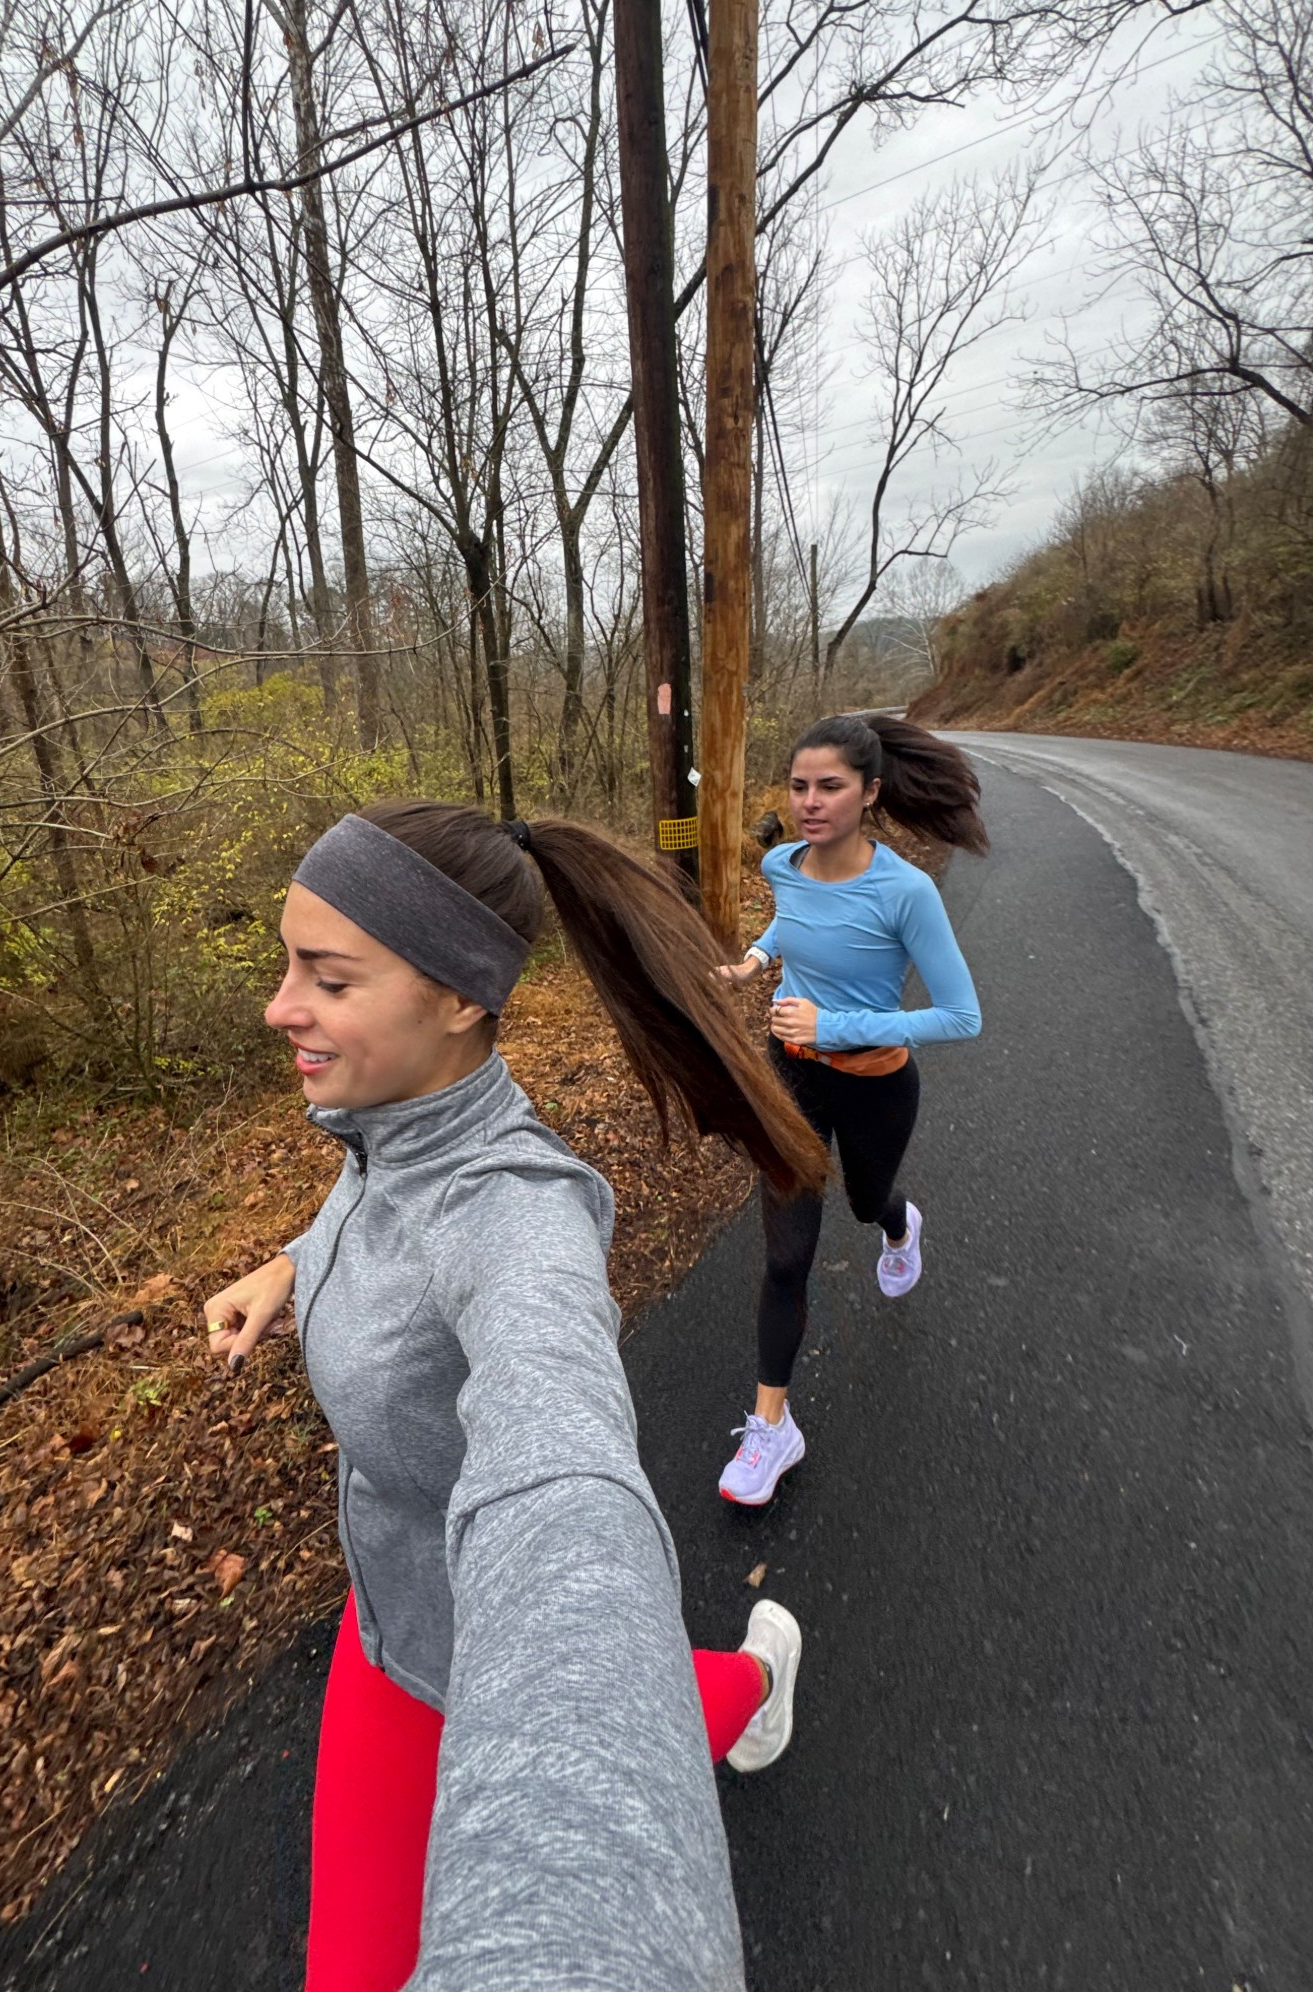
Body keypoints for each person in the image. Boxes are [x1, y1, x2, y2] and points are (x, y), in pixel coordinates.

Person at [200, 801, 831, 1992]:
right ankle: (746, 1674)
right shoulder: (387, 1118)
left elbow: (567, 1487)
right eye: (287, 964)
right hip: (389, 1623)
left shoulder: (521, 1215)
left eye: (326, 978)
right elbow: (380, 1198)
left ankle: (753, 1675)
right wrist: (291, 1262)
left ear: (458, 996)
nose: (280, 1006)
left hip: (492, 1632)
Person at [713, 714, 986, 1508]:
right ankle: (772, 1426)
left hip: (874, 1081)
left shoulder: (906, 891)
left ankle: (901, 1225)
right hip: (790, 1076)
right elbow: (793, 921)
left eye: (830, 787)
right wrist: (757, 960)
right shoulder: (780, 863)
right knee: (787, 1253)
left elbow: (961, 1016)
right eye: (799, 786)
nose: (809, 802)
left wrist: (838, 1025)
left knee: (866, 1201)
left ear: (869, 793)